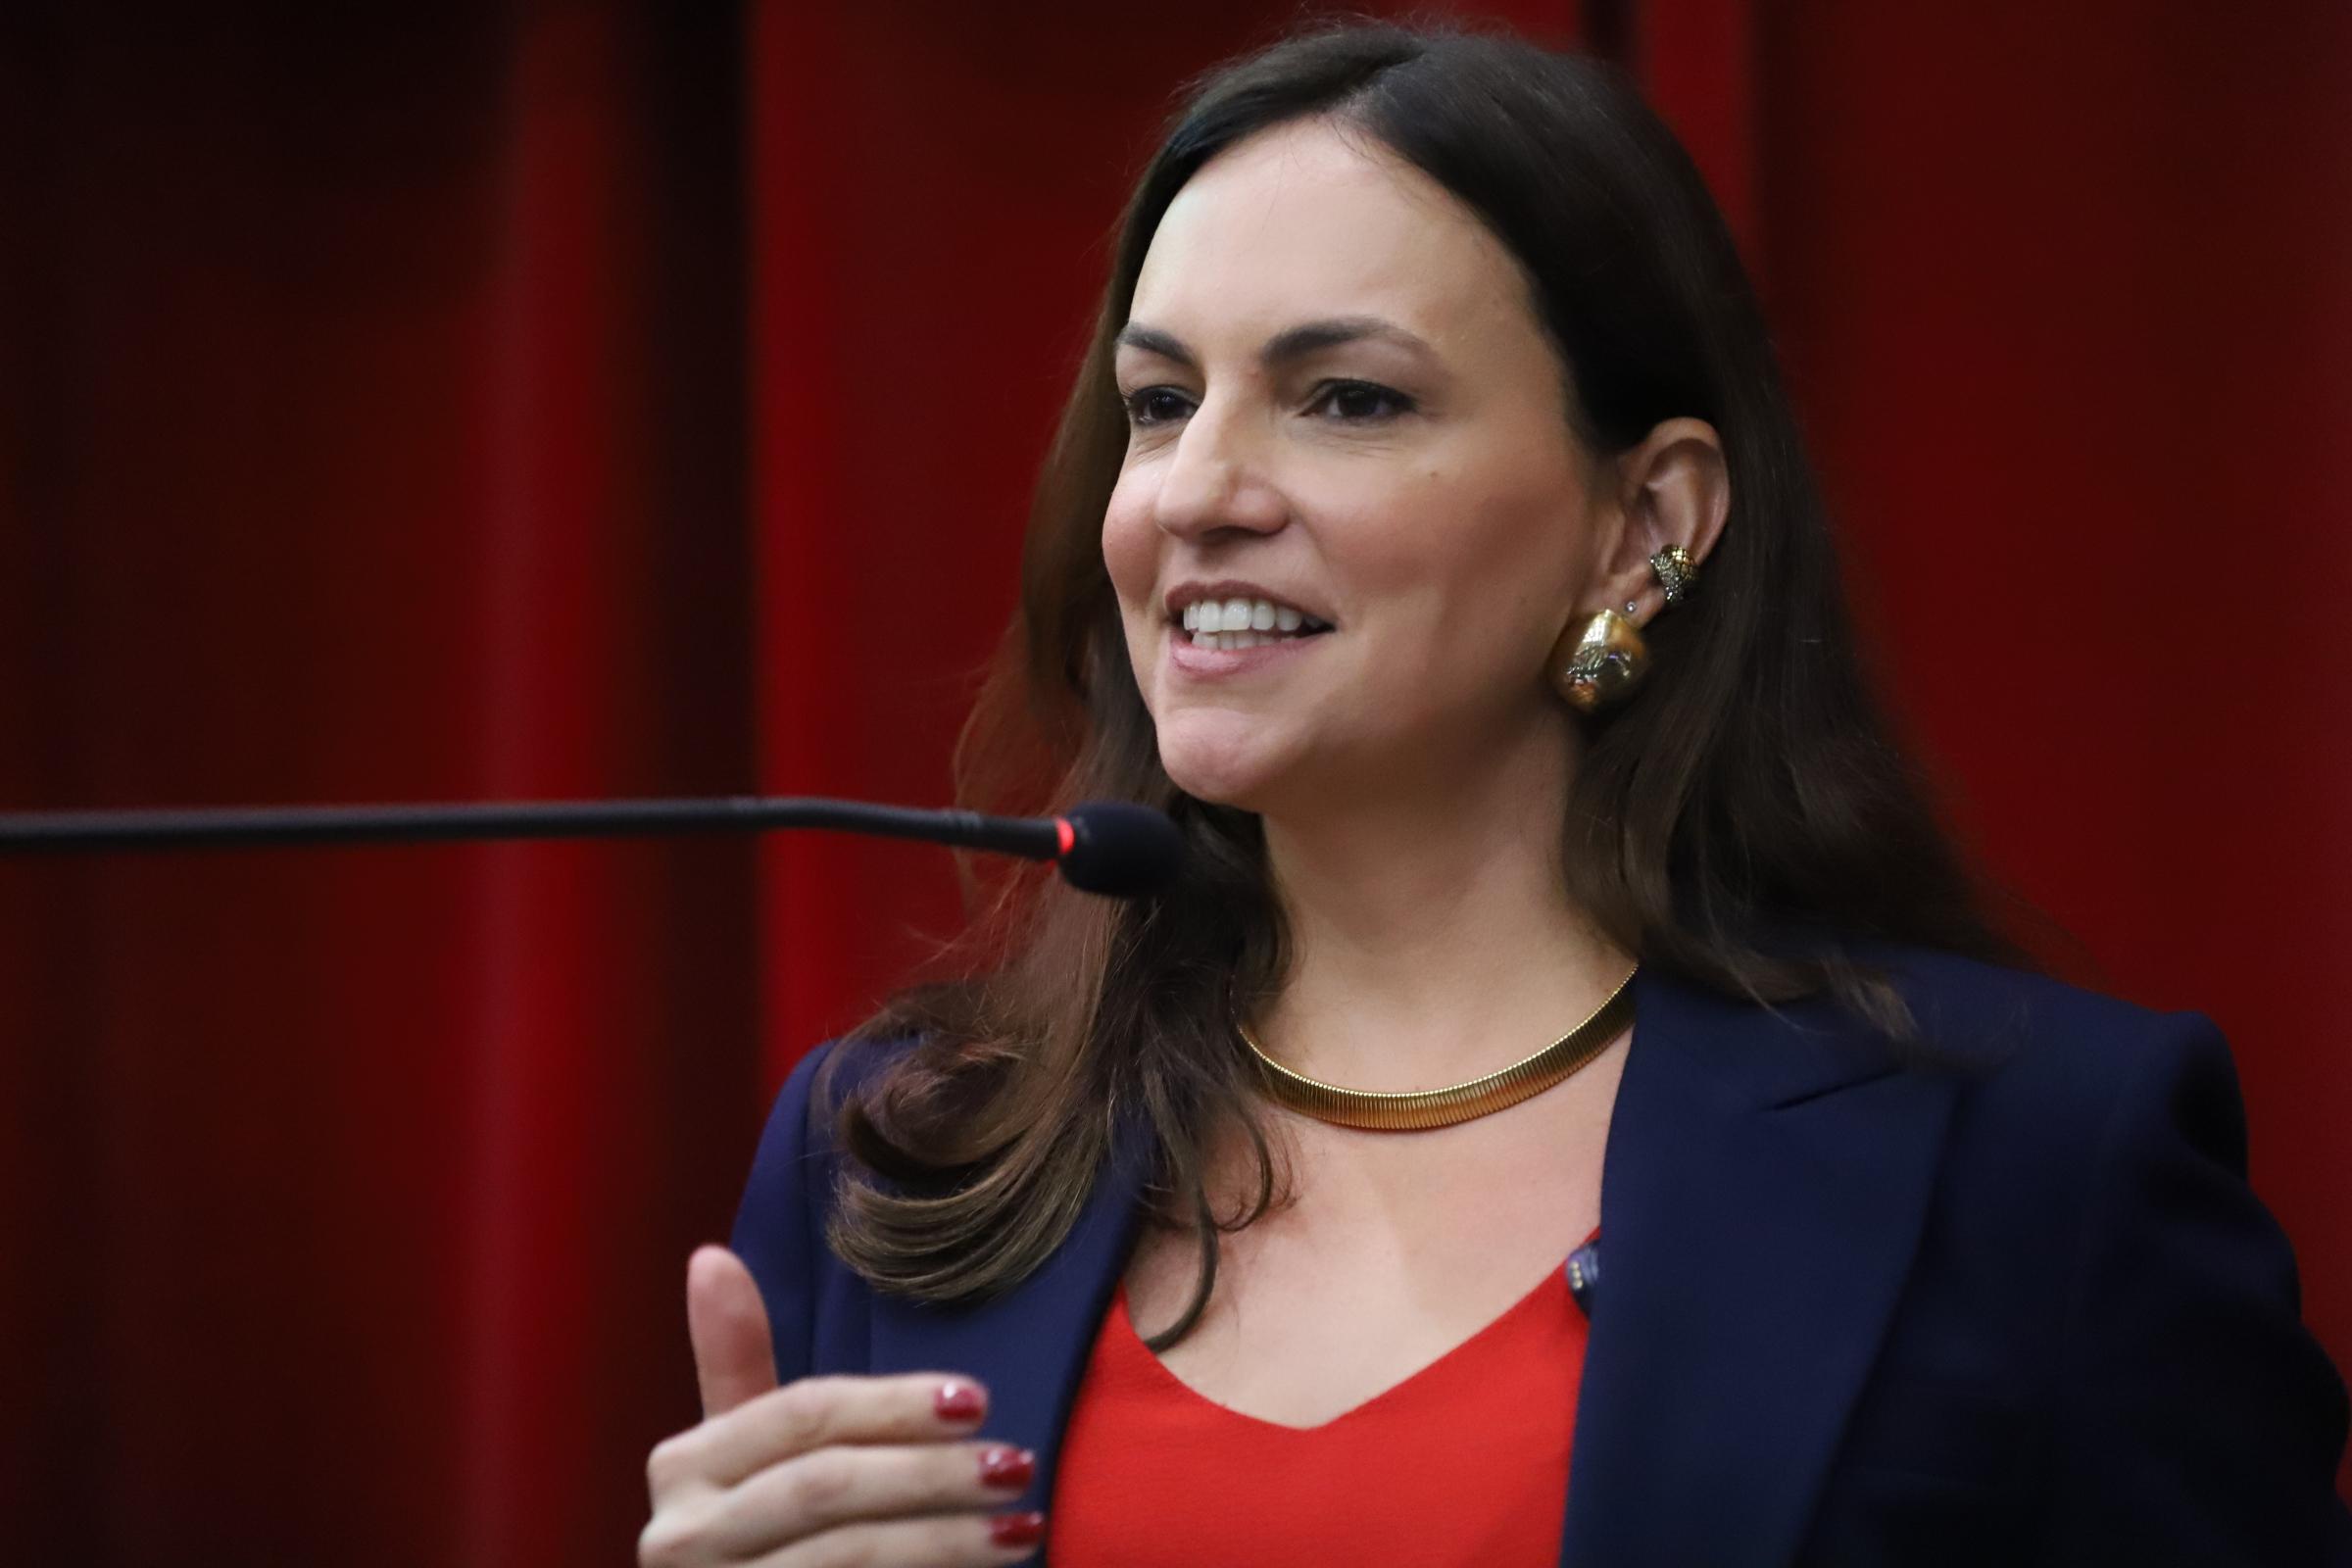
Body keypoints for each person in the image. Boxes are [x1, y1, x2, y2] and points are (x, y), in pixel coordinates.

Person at [640, 20, 2352, 1567]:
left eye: (1347, 398)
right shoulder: (895, 1158)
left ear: (1646, 525)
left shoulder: (2037, 1161)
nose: (1194, 493)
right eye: (1158, 404)